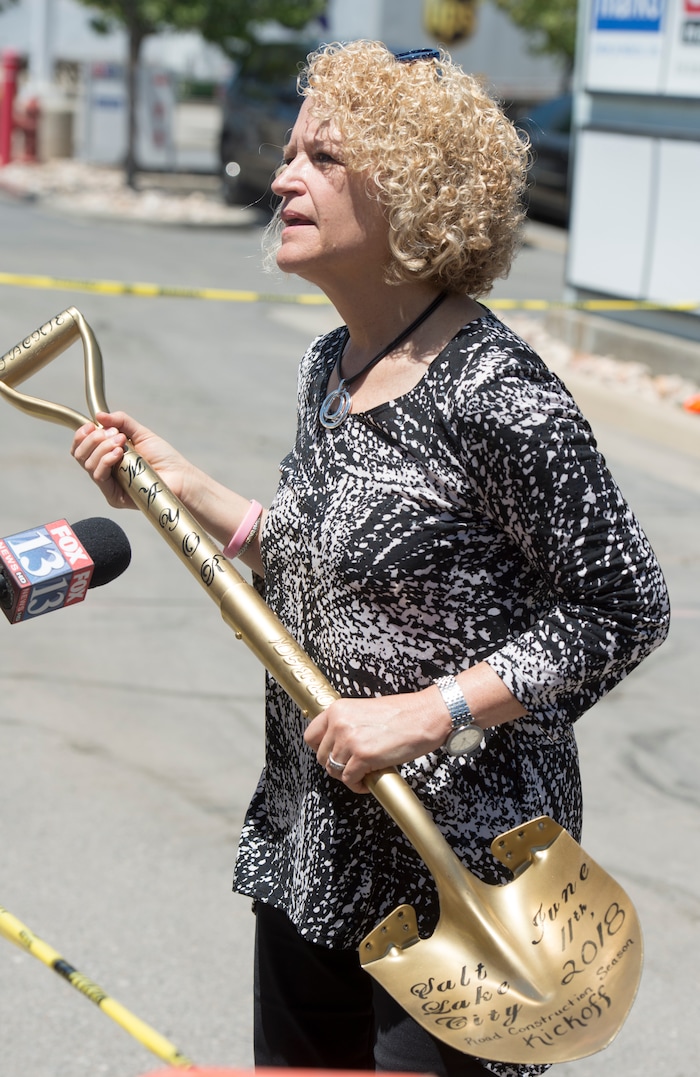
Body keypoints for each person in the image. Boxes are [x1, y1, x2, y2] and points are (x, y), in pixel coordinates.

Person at [70, 41, 670, 1077]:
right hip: (316, 850)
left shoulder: (498, 395)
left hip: (462, 889)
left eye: (325, 159)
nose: (281, 177)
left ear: (412, 190)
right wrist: (181, 490)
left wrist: (426, 712)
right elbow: (324, 563)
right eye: (292, 153)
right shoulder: (330, 367)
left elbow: (623, 608)